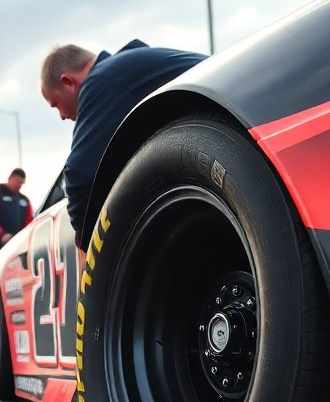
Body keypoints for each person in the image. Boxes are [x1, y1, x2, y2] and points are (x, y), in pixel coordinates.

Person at [39, 40, 206, 248]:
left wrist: (87, 249)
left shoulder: (102, 78)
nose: (62, 116)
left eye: (56, 105)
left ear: (68, 82)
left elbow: (80, 176)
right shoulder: (125, 70)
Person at [0, 168, 33, 264]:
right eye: (18, 182)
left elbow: (29, 223)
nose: (19, 185)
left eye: (22, 183)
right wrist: (2, 235)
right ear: (10, 178)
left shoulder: (25, 201)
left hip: (16, 250)